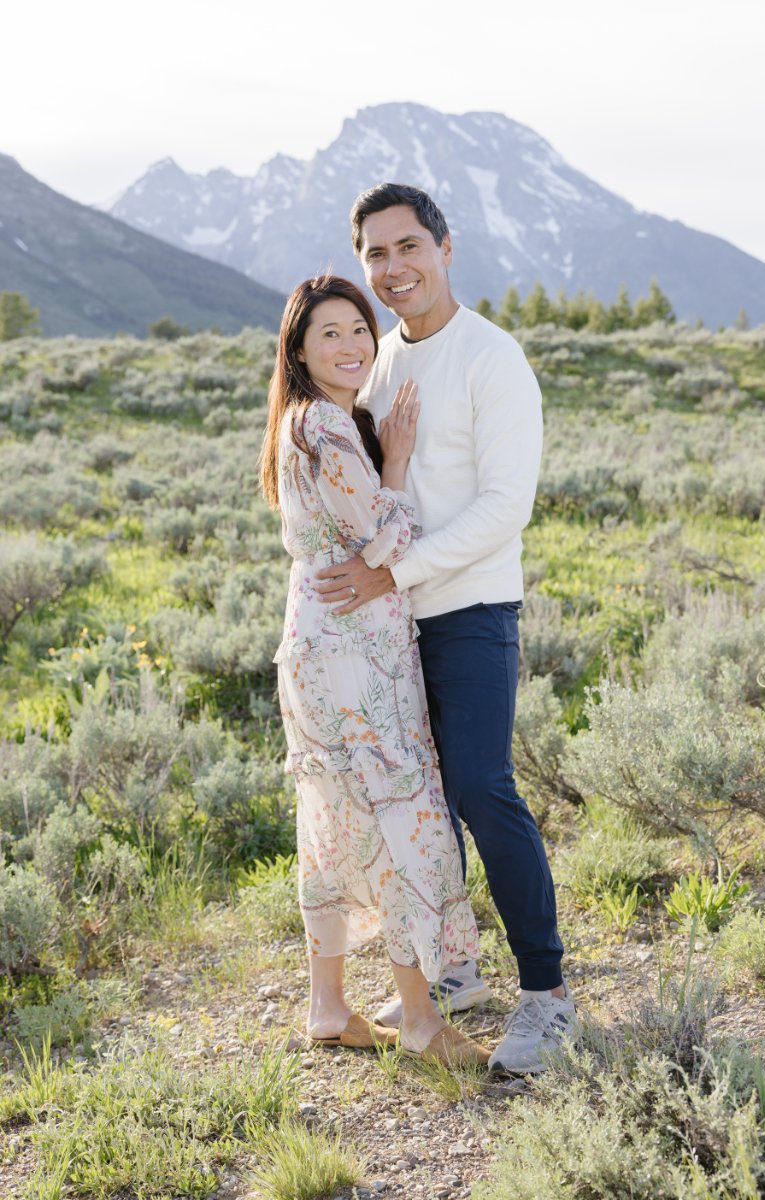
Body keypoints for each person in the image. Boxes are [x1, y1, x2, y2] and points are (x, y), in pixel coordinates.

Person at [314, 185, 577, 1076]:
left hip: (469, 610)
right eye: (376, 254)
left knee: (478, 787)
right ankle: (453, 972)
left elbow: (506, 508)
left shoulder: (492, 358)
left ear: (445, 247)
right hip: (388, 625)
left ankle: (548, 993)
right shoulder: (374, 360)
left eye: (408, 246)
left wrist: (395, 571)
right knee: (417, 802)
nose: (393, 268)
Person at [259, 274, 489, 1067]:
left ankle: (328, 1006)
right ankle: (420, 1019)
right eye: (330, 333)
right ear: (298, 349)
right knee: (396, 815)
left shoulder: (299, 421)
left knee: (334, 818)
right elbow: (390, 537)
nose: (353, 344)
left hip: (317, 644)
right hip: (354, 653)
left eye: (360, 328)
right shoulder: (325, 424)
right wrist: (395, 460)